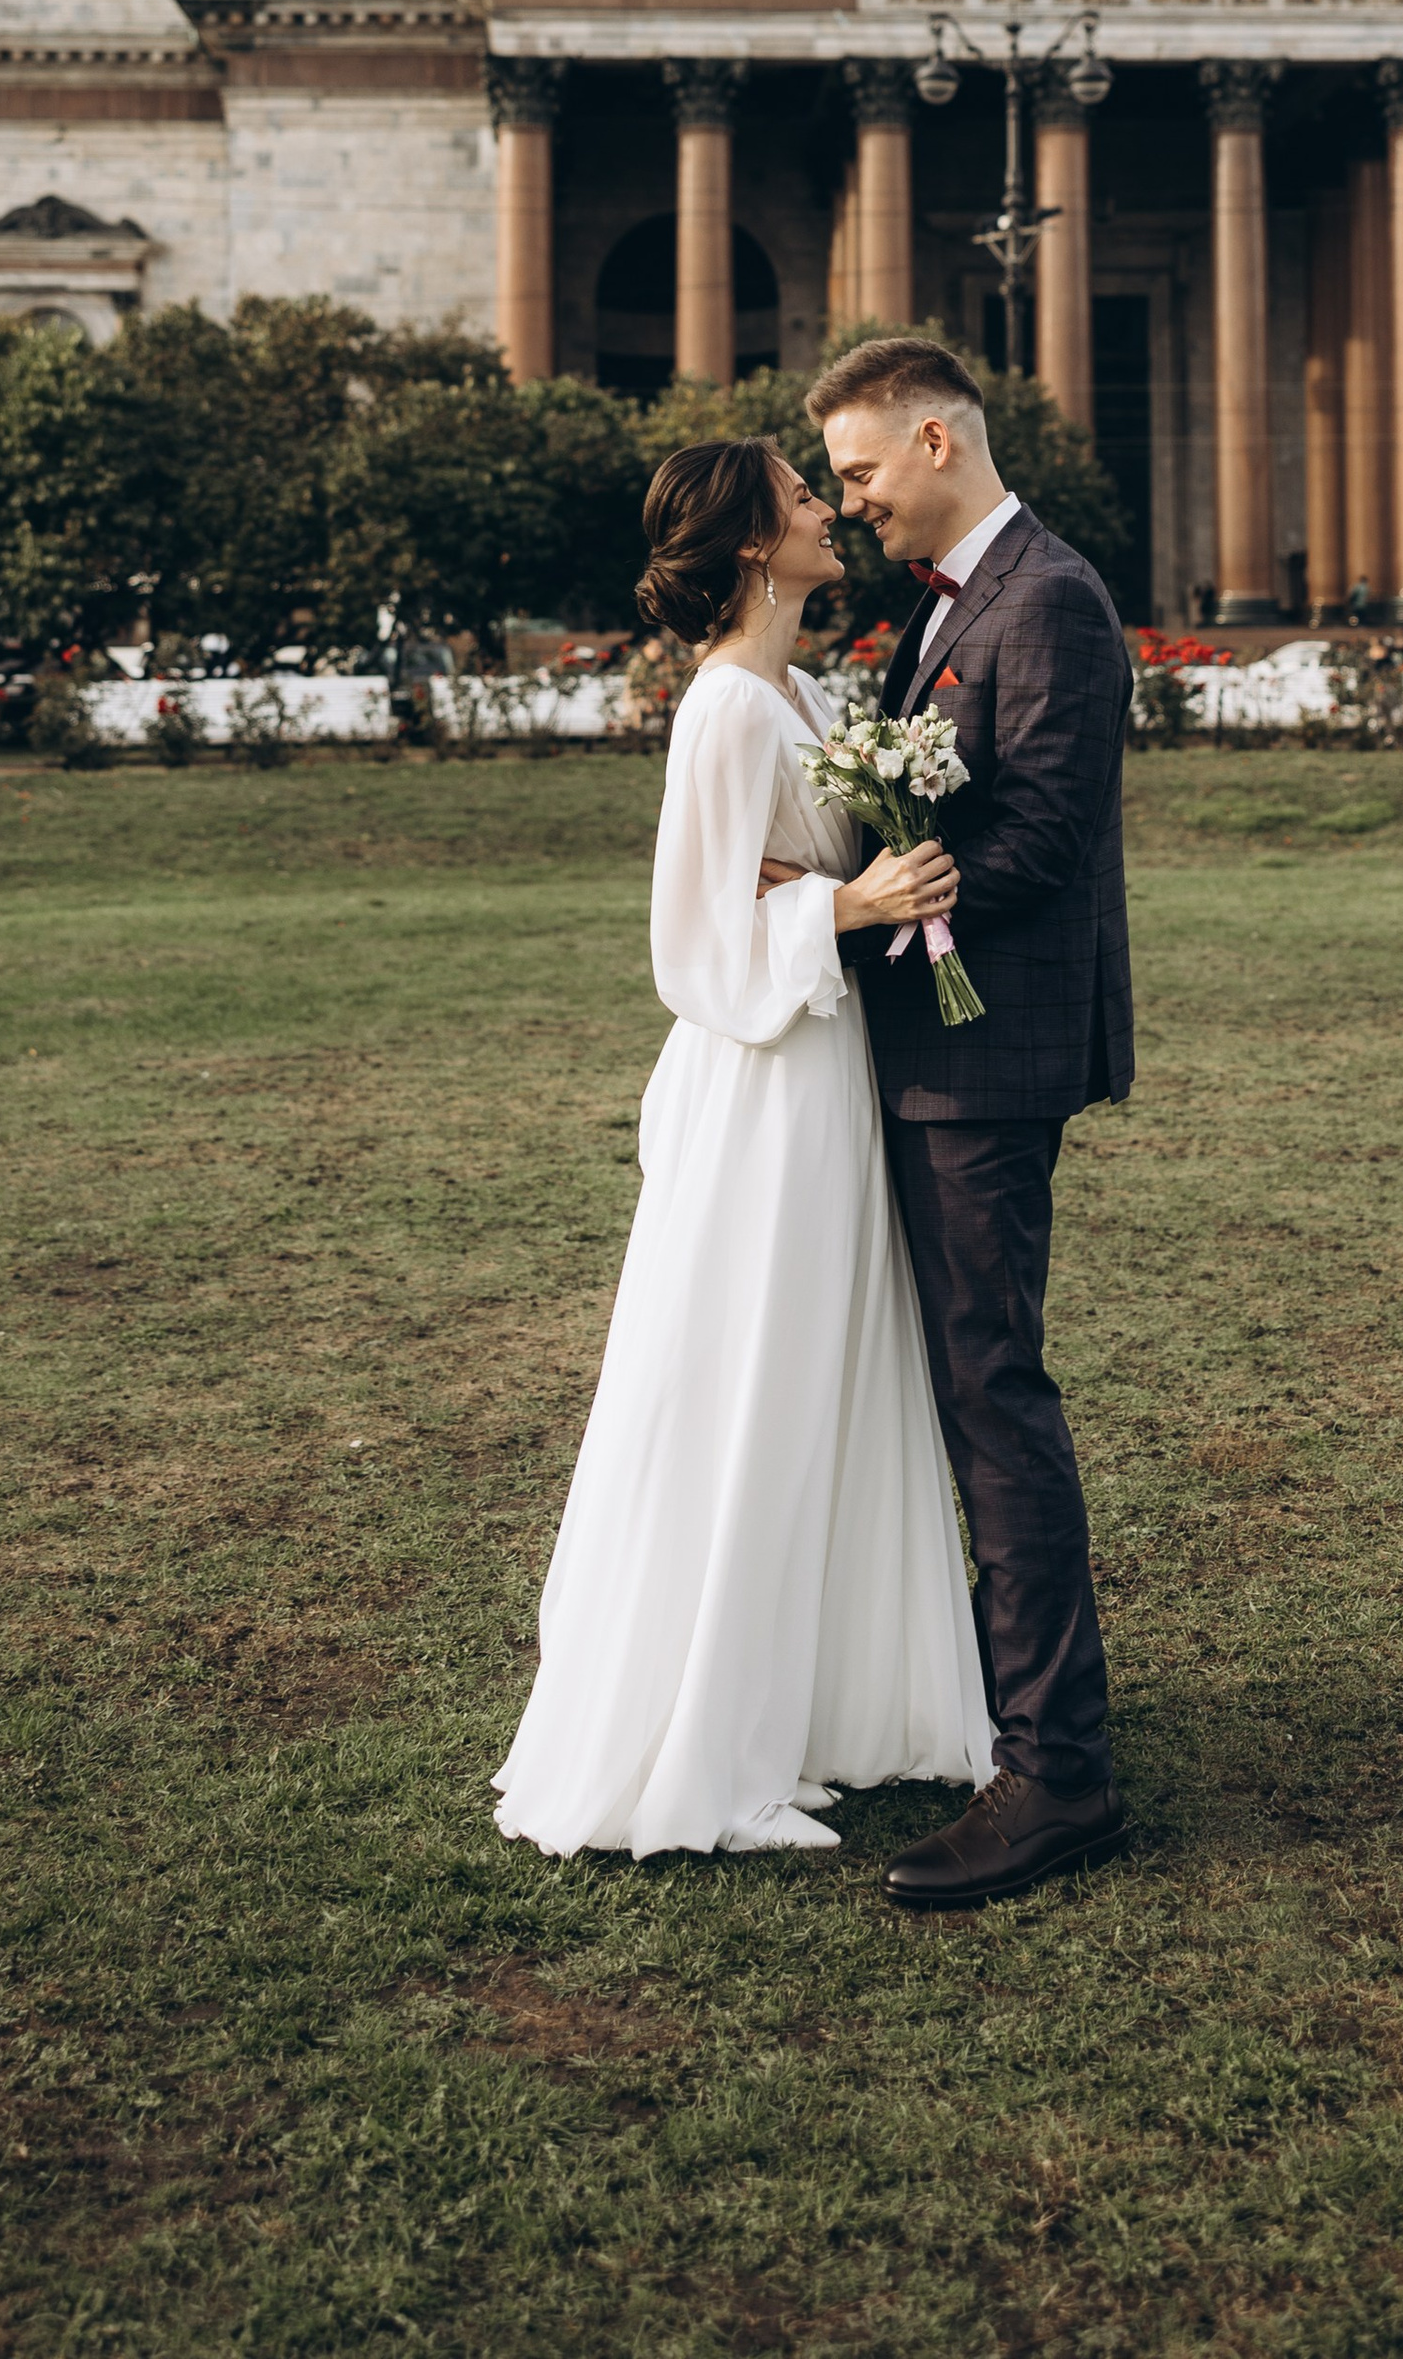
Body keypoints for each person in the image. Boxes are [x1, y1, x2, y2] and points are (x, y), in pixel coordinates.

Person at [494, 441, 990, 1860]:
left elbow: (801, 874)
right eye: (801, 499)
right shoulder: (723, 709)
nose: (830, 511)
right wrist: (849, 904)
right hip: (762, 1081)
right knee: (749, 1375)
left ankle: (812, 1706)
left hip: (828, 1068)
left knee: (822, 1369)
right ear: (755, 547)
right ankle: (705, 1745)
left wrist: (858, 881)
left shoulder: (807, 694)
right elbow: (689, 945)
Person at [806, 334, 1134, 1913]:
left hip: (988, 1063)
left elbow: (1047, 837)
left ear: (936, 441)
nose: (854, 502)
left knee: (995, 1395)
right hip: (941, 1054)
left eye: (863, 471)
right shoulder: (952, 607)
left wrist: (869, 907)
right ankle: (1003, 1713)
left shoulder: (1048, 599)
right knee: (965, 1388)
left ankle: (1059, 1774)